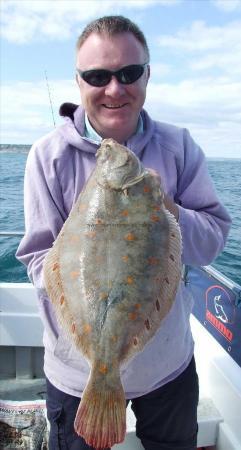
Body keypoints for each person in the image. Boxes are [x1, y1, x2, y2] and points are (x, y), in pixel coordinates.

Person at [16, 15, 231, 450]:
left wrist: (165, 210)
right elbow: (39, 257)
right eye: (98, 75)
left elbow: (211, 242)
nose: (115, 89)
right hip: (77, 375)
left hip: (167, 367)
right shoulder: (47, 156)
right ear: (79, 82)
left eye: (129, 73)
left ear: (147, 74)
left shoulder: (180, 146)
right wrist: (78, 268)